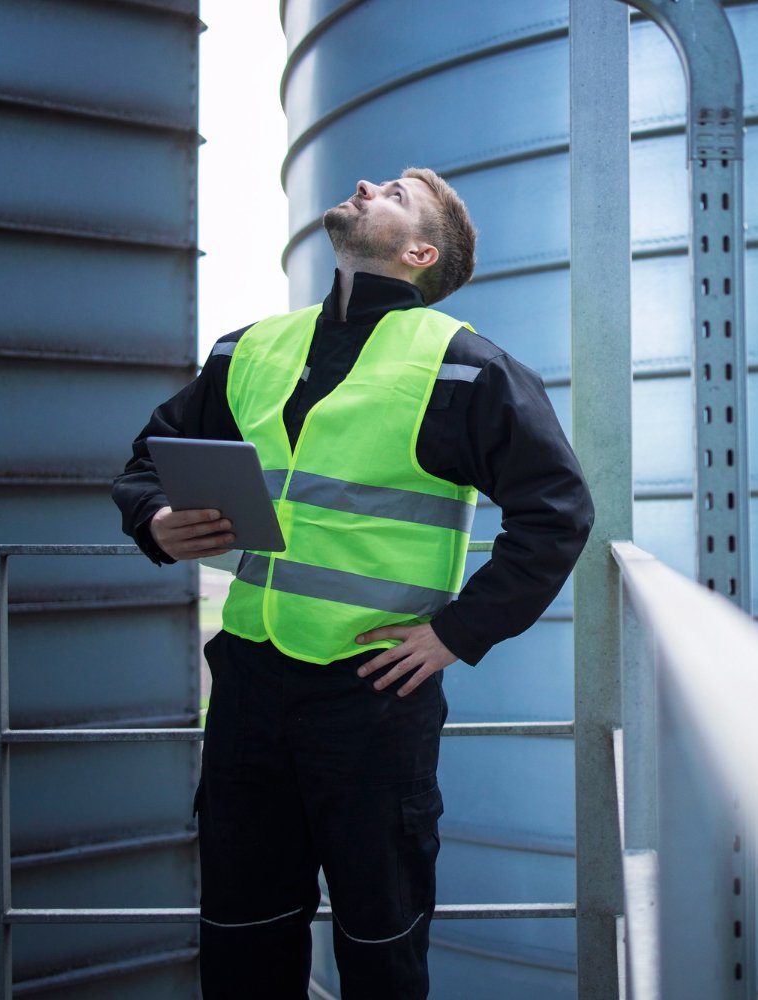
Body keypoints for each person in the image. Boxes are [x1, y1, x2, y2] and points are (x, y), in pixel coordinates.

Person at [112, 167, 594, 999]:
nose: (370, 183)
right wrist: (155, 521)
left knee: (382, 945)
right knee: (241, 938)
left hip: (372, 701)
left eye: (400, 193)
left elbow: (558, 512)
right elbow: (148, 460)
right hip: (251, 688)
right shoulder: (250, 348)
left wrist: (456, 633)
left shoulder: (466, 370)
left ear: (418, 251)